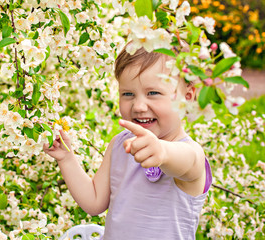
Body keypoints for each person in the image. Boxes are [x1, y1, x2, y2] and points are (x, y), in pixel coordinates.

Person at [43, 44, 212, 239]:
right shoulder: (119, 145)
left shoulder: (190, 153)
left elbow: (188, 163)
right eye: (128, 94)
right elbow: (94, 201)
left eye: (153, 93)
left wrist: (162, 152)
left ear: (187, 98)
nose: (139, 106)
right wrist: (66, 158)